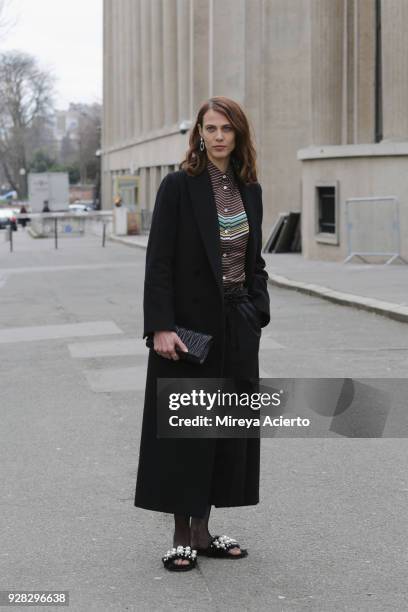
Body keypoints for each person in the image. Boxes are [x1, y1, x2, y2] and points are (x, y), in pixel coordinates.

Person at [134, 96, 270, 572]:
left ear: (238, 135)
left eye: (226, 129)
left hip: (236, 326)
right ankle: (180, 535)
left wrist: (257, 311)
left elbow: (255, 262)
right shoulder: (178, 186)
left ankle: (204, 530)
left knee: (221, 433)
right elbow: (159, 263)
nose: (217, 137)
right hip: (187, 332)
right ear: (198, 134)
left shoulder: (248, 188)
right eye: (209, 128)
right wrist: (160, 327)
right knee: (185, 432)